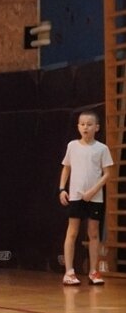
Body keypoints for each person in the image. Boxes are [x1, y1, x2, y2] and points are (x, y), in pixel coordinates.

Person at [59, 111, 113, 286]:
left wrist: (92, 191)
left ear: (96, 127)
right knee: (72, 232)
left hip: (95, 198)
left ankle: (93, 271)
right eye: (82, 124)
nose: (85, 127)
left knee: (93, 233)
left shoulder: (102, 149)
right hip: (75, 197)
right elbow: (66, 168)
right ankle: (69, 272)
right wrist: (62, 189)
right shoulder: (72, 146)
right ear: (78, 127)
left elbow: (107, 174)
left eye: (89, 124)